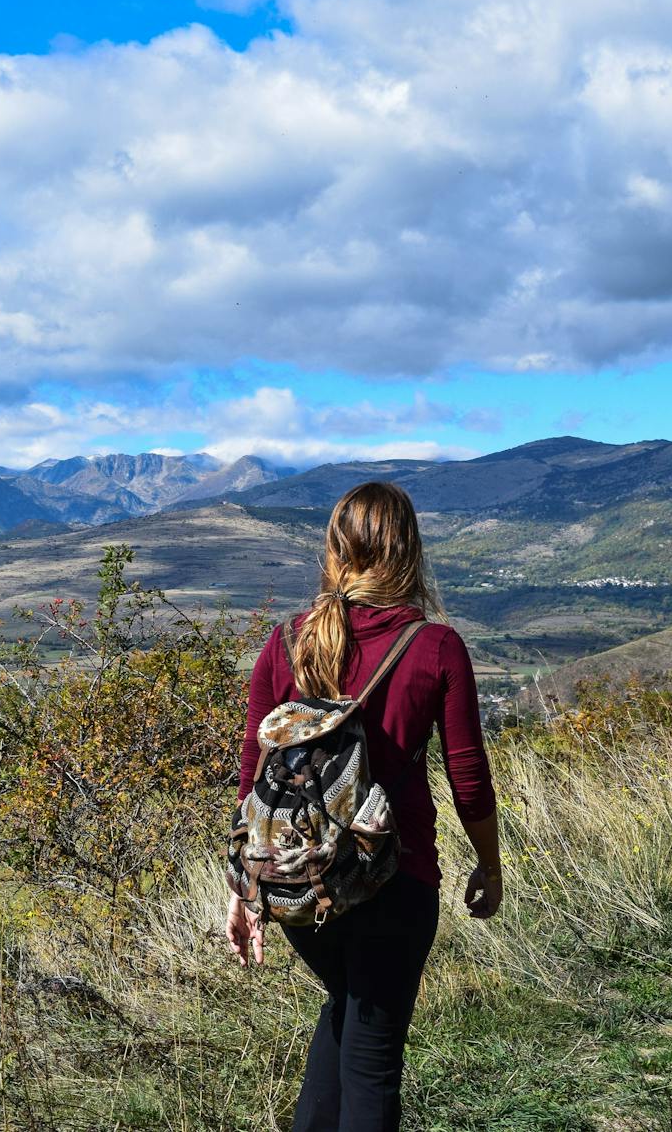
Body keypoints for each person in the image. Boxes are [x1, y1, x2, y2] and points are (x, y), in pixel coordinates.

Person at [227, 480, 501, 1132]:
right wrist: (490, 865)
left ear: (334, 549)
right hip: (393, 881)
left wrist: (242, 886)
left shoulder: (288, 640)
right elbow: (468, 777)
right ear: (409, 550)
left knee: (347, 1017)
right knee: (373, 1068)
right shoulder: (434, 647)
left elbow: (254, 766)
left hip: (298, 884)